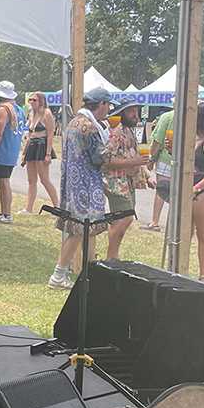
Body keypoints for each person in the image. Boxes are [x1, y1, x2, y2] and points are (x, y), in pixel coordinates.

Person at [48, 88, 114, 290]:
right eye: (107, 105)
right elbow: (100, 157)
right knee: (79, 231)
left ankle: (90, 271)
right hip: (85, 186)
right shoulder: (89, 127)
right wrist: (113, 145)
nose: (108, 110)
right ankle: (58, 275)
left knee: (87, 231)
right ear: (101, 104)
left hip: (73, 184)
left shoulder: (73, 123)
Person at [102, 97, 152, 260]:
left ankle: (113, 257)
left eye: (136, 110)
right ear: (122, 113)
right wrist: (135, 162)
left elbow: (136, 155)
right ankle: (111, 258)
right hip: (116, 183)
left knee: (123, 220)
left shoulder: (129, 131)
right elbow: (107, 161)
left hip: (127, 182)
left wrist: (146, 174)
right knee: (124, 219)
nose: (135, 114)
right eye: (131, 111)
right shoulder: (116, 132)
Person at [0, 81, 25, 223]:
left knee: (4, 183)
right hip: (12, 150)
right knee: (4, 182)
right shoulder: (19, 110)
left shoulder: (3, 110)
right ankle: (4, 213)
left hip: (2, 150)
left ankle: (6, 214)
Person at [19, 92, 60, 213]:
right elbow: (30, 134)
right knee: (31, 180)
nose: (31, 102)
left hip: (42, 146)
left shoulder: (46, 113)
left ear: (41, 101)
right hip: (32, 146)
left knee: (44, 179)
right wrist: (24, 153)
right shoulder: (31, 114)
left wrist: (48, 154)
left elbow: (51, 133)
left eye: (34, 100)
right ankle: (29, 208)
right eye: (30, 100)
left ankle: (57, 206)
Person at [143, 109, 174, 231]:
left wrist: (151, 158)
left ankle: (155, 221)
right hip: (186, 160)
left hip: (166, 158)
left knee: (161, 190)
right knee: (179, 192)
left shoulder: (167, 116)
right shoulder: (193, 115)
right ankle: (175, 224)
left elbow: (158, 140)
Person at [189, 102, 204, 281]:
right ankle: (181, 269)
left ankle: (203, 275)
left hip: (203, 191)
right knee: (185, 232)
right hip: (193, 189)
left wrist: (198, 187)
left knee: (203, 235)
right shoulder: (196, 139)